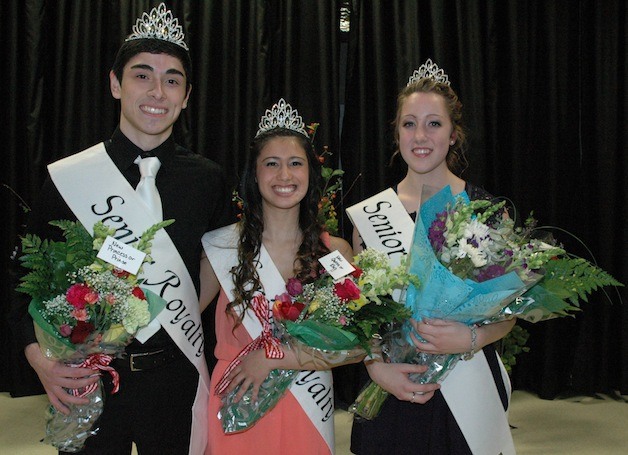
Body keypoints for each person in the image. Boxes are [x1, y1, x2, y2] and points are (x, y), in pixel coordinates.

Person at [9, 4, 233, 454]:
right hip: (89, 375)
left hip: (174, 375)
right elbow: (20, 280)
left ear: (187, 95)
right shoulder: (70, 178)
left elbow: (222, 265)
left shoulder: (208, 180)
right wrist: (40, 360)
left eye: (172, 79)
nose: (157, 91)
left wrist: (172, 306)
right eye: (142, 75)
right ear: (115, 83)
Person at [349, 60, 516, 454]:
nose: (420, 135)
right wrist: (376, 367)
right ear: (396, 133)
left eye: (434, 123)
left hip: (468, 386)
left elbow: (510, 314)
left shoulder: (488, 210)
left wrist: (471, 336)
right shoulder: (369, 218)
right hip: (395, 384)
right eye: (409, 123)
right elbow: (361, 314)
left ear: (454, 134)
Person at [200, 98, 353, 454]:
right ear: (254, 174)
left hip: (308, 402)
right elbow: (182, 322)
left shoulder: (336, 253)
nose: (284, 175)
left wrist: (277, 356)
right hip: (238, 402)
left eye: (295, 164)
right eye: (272, 164)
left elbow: (357, 344)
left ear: (310, 174)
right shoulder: (221, 249)